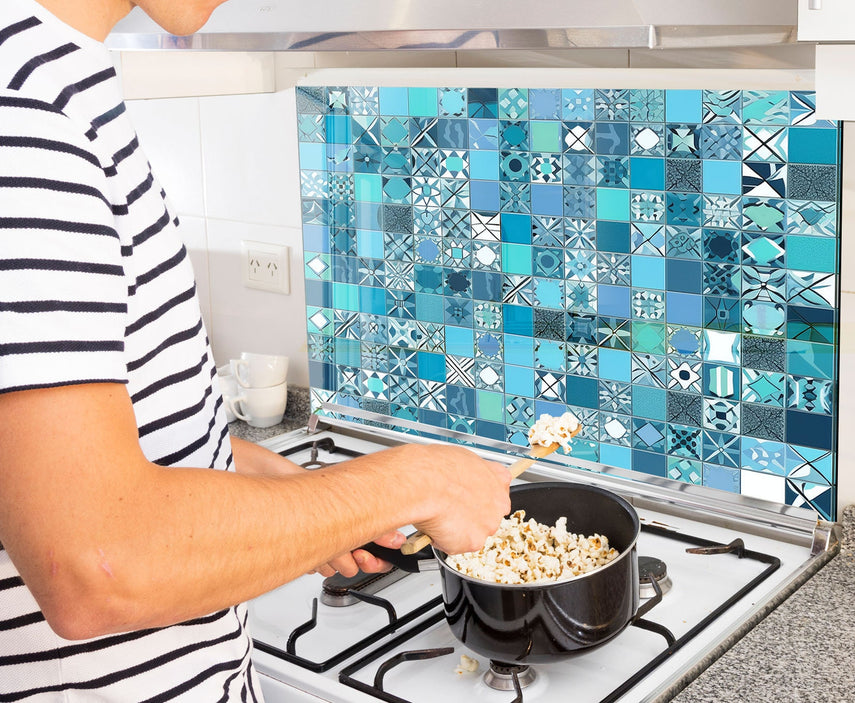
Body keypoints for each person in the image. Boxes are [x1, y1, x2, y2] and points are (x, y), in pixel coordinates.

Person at [0, 0, 512, 699]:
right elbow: (95, 564)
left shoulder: (54, 79)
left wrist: (292, 497)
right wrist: (416, 480)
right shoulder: (24, 115)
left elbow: (70, 458)